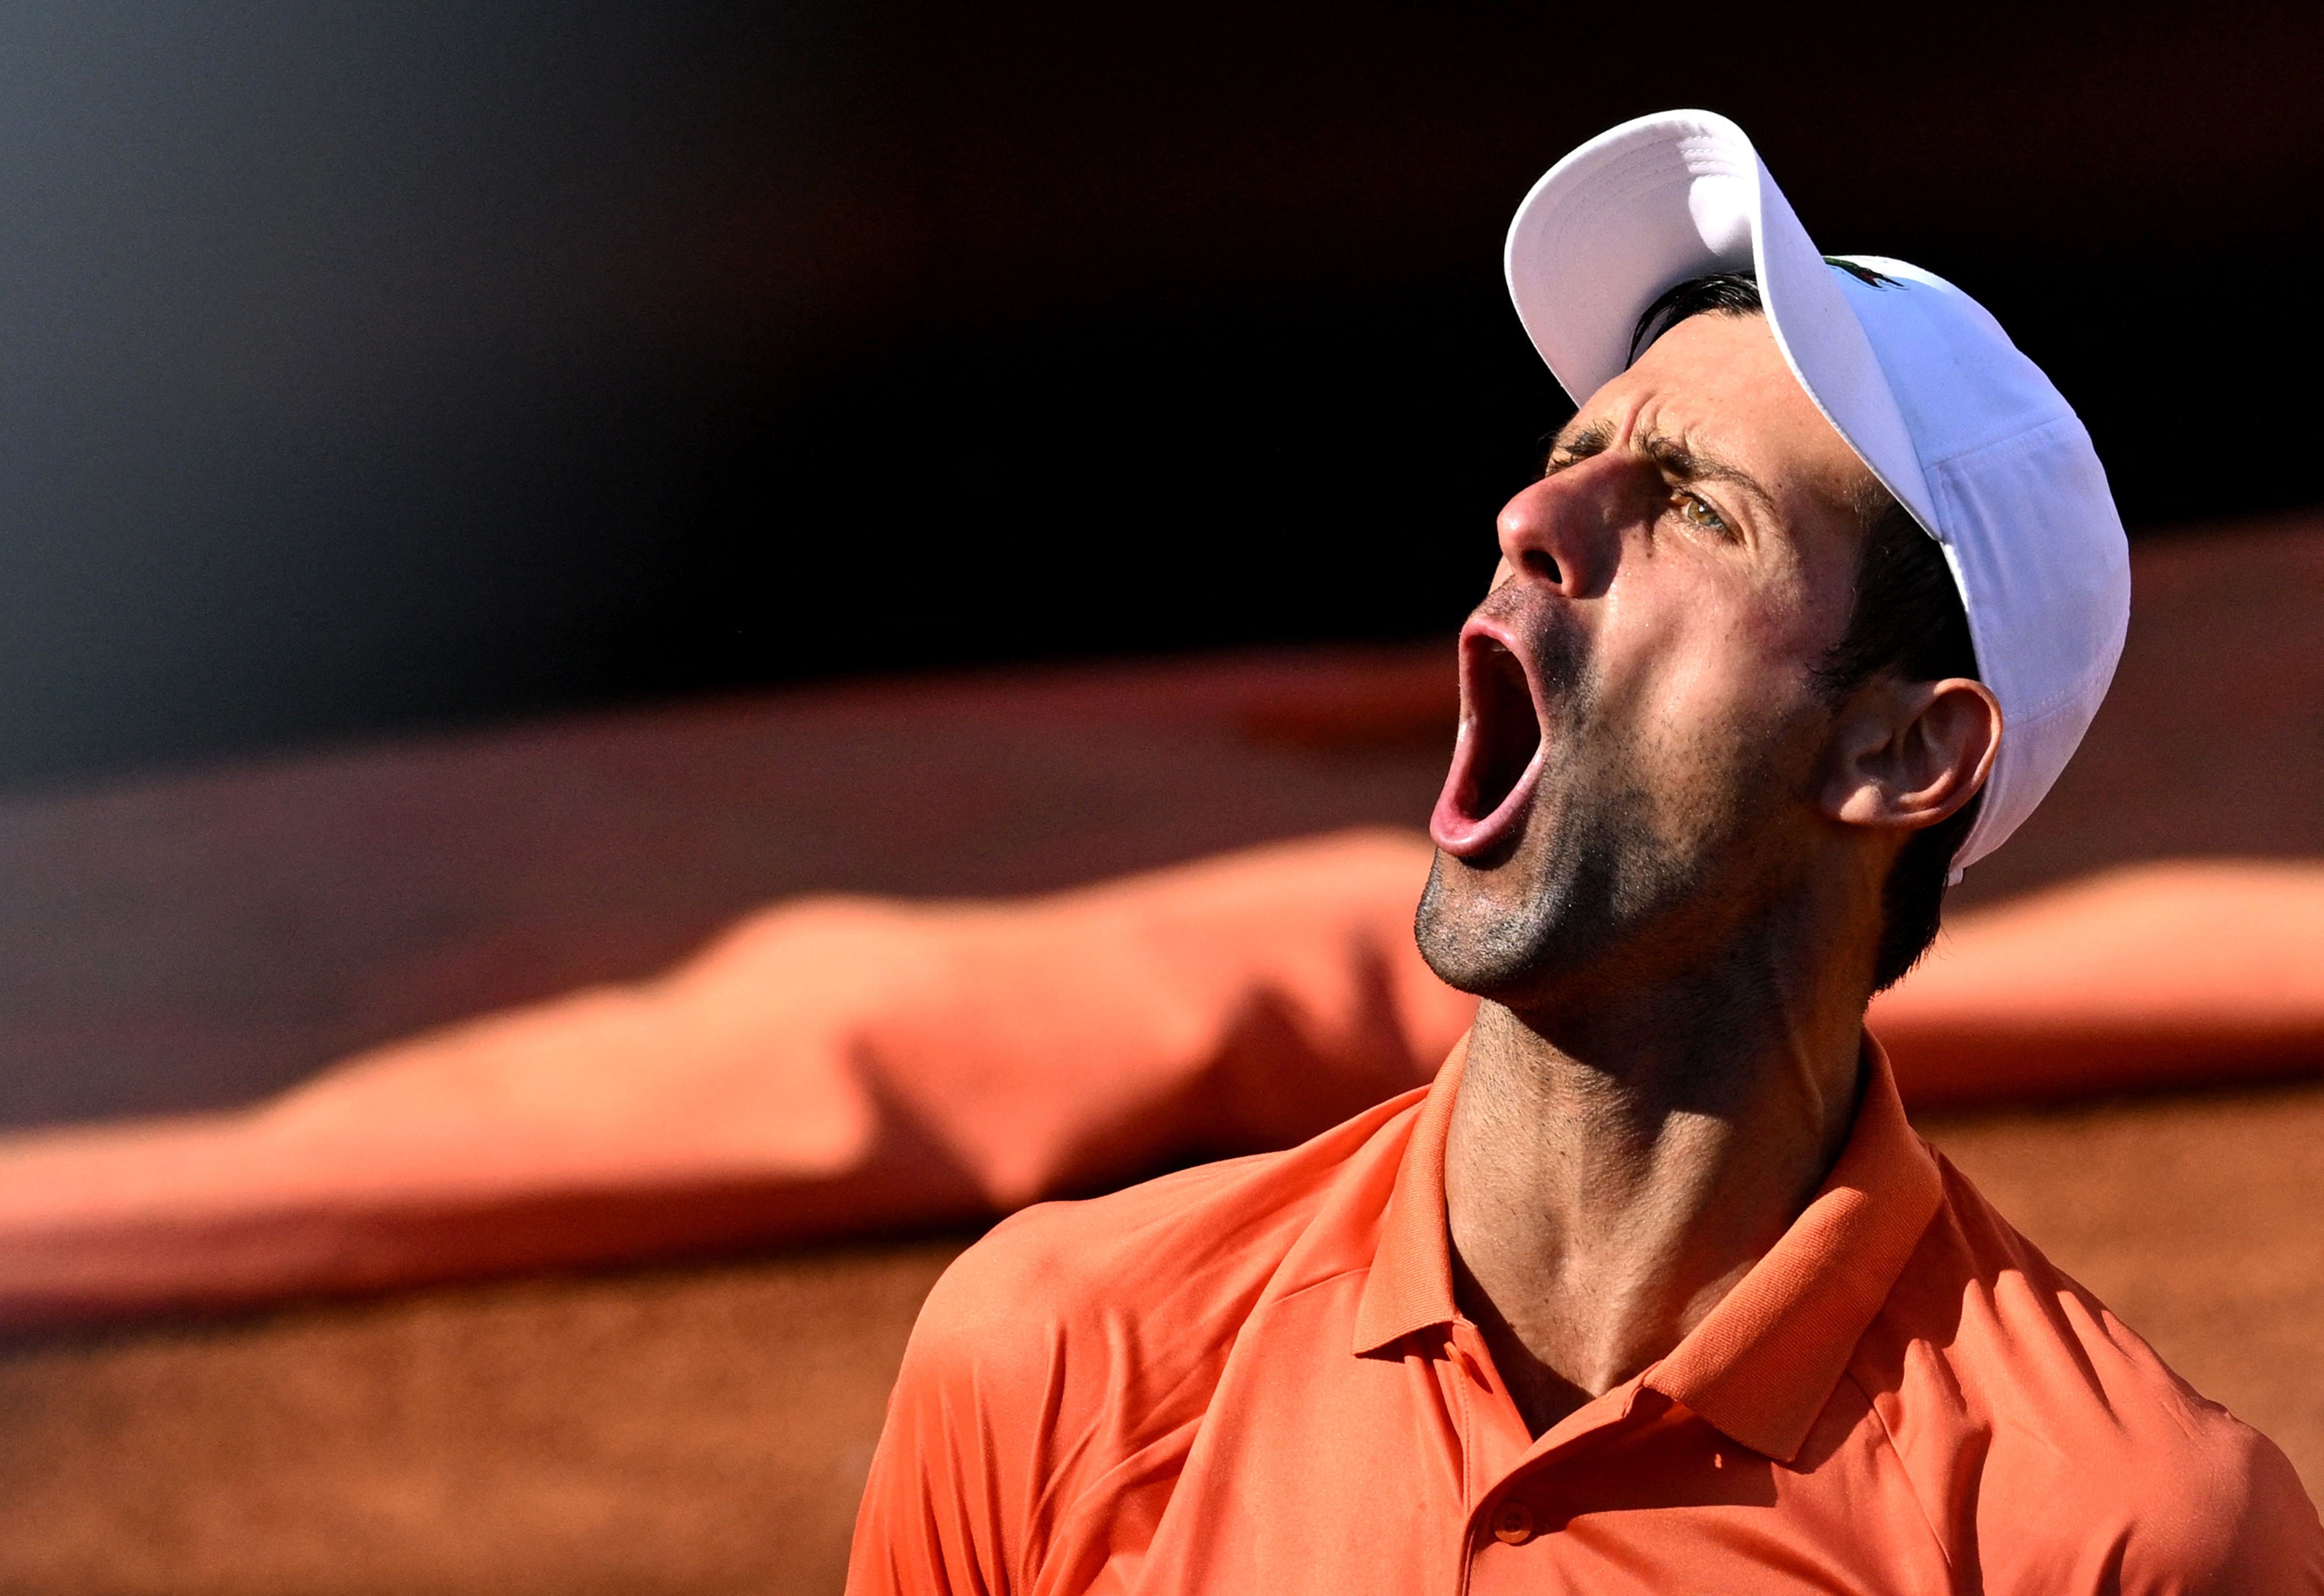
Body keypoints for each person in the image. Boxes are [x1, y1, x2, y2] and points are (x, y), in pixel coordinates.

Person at [842, 111, 2324, 1592]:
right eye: (1571, 453)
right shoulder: (1062, 1359)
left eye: (1690, 504)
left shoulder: (2115, 1538)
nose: (1532, 515)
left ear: (1903, 753)